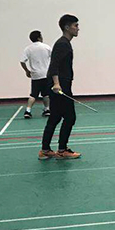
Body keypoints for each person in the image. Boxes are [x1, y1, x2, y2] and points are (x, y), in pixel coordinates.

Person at [40, 15, 81, 160]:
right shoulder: (62, 44)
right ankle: (62, 150)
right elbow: (54, 66)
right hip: (60, 86)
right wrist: (56, 84)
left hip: (61, 84)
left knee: (55, 117)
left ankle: (45, 150)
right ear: (67, 27)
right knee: (70, 117)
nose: (78, 28)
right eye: (75, 25)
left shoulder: (65, 43)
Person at [20, 30, 51, 119]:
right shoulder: (47, 47)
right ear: (39, 38)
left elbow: (22, 61)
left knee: (33, 94)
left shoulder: (28, 49)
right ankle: (47, 109)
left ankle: (28, 111)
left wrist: (27, 71)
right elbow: (54, 58)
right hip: (46, 74)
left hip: (35, 75)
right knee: (46, 94)